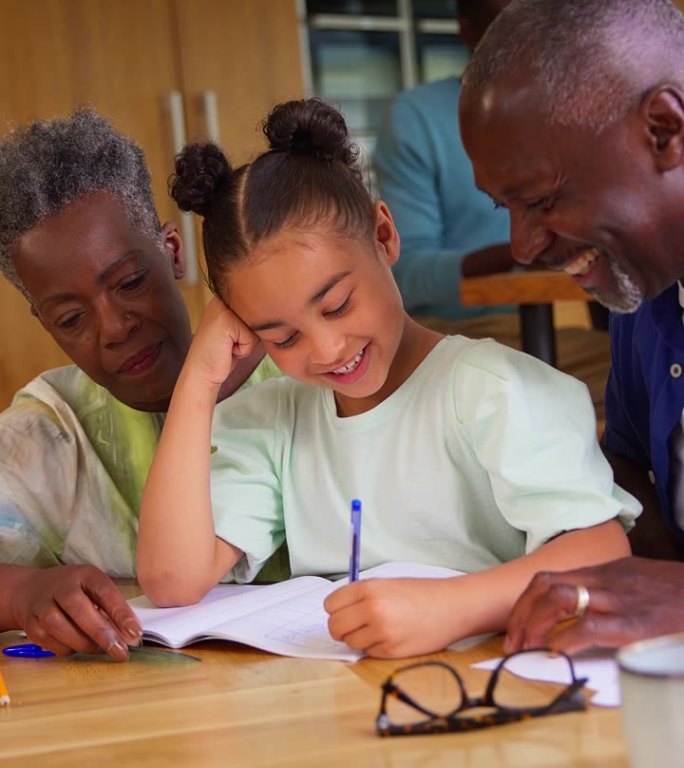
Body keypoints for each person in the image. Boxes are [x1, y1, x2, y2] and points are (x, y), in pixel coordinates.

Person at [135, 97, 639, 659]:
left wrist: (451, 608)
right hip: (350, 700)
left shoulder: (488, 389)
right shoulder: (273, 422)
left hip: (492, 687)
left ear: (384, 235)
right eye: (282, 338)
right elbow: (171, 580)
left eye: (337, 304)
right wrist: (200, 379)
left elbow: (602, 549)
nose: (327, 350)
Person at [0, 109, 281, 659]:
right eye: (70, 319)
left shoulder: (307, 376)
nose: (114, 328)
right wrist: (21, 593)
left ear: (173, 252)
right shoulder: (50, 432)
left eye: (129, 282)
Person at [458, 0, 684, 652]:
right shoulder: (644, 289)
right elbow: (634, 468)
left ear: (665, 130)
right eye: (506, 207)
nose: (523, 246)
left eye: (542, 199)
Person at [373, 0, 514, 325]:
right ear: (467, 29)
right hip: (464, 329)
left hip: (564, 317)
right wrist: (522, 255)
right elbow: (403, 272)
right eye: (507, 26)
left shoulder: (564, 108)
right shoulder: (417, 117)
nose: (530, 39)